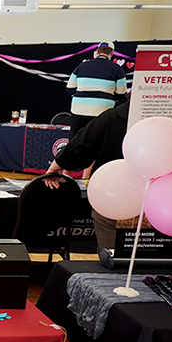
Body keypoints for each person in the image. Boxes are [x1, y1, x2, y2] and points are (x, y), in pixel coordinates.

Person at [44, 99, 130, 252]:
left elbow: (81, 145)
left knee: (111, 257)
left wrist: (53, 169)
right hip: (165, 200)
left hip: (113, 195)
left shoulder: (112, 117)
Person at [66, 41, 127, 138]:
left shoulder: (81, 66)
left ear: (97, 52)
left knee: (75, 141)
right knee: (97, 142)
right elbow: (121, 94)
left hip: (78, 110)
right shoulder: (117, 69)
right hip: (102, 112)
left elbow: (70, 89)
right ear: (111, 53)